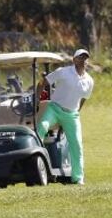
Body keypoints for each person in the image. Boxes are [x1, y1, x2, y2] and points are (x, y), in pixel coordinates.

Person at [36, 49, 94, 185]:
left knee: (77, 145)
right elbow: (43, 82)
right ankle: (38, 165)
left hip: (72, 115)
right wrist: (37, 101)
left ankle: (78, 178)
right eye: (80, 57)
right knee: (42, 127)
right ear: (74, 60)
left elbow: (84, 98)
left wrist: (77, 111)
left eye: (85, 58)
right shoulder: (63, 71)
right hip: (54, 109)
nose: (83, 60)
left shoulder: (90, 81)